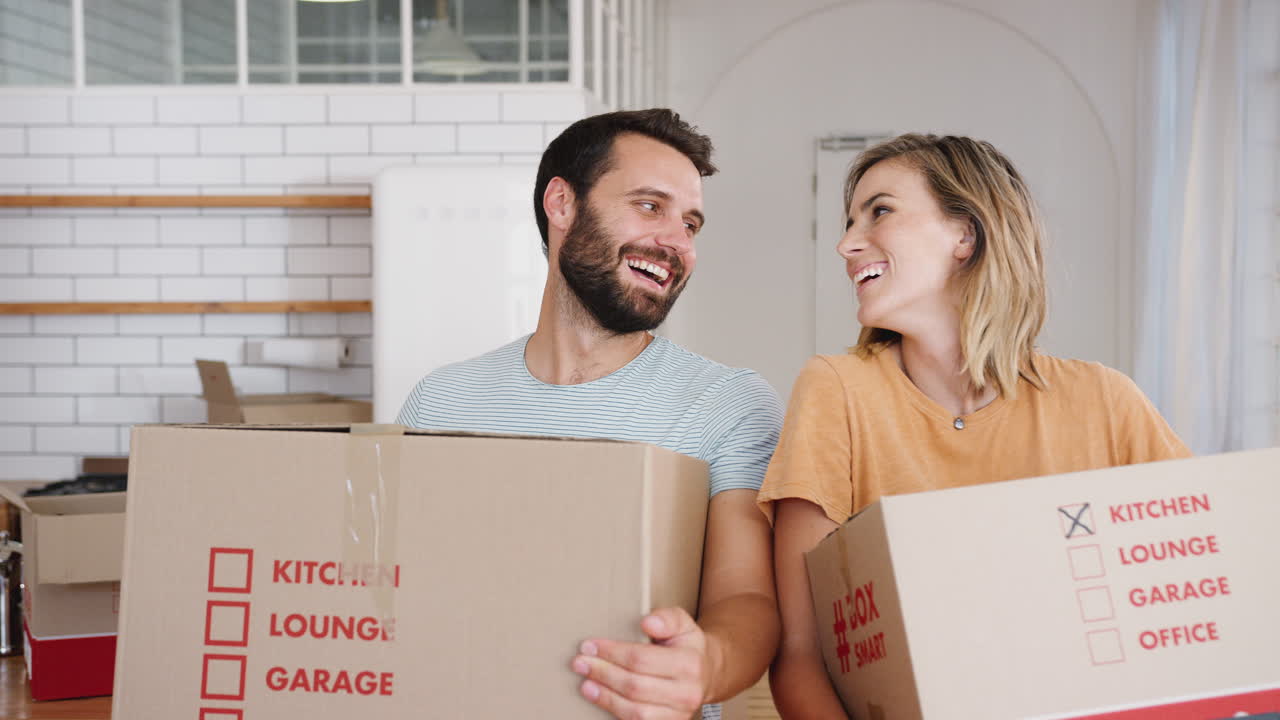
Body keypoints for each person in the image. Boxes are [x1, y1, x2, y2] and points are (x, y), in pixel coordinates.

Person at [757, 133, 1191, 718]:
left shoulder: (1105, 401)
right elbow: (801, 653)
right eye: (849, 220)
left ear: (965, 234)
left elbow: (1192, 606)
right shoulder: (836, 390)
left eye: (879, 211)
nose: (846, 244)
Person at [396, 109, 783, 720]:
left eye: (691, 223)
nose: (678, 241)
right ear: (562, 204)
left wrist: (706, 665)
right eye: (650, 206)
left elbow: (748, 596)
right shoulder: (441, 402)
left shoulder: (727, 402)